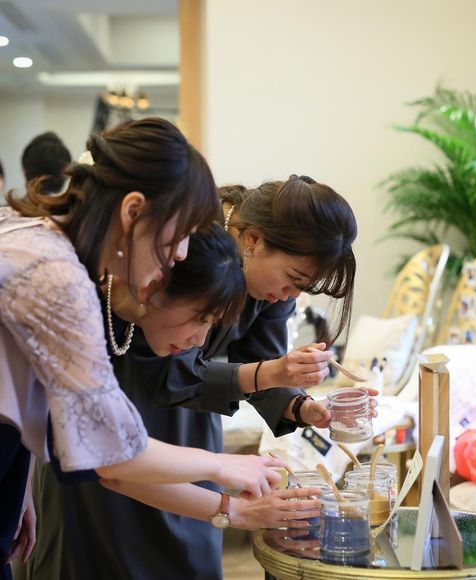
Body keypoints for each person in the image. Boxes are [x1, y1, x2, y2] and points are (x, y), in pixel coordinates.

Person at [15, 175, 362, 580]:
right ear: (253, 240)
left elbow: (264, 362)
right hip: (121, 409)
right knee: (108, 552)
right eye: (294, 278)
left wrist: (301, 406)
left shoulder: (270, 284)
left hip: (194, 425)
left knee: (192, 548)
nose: (292, 295)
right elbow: (169, 376)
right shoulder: (182, 250)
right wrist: (267, 377)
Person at [0, 118, 283, 580]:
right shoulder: (59, 277)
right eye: (179, 236)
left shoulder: (32, 236)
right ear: (133, 212)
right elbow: (111, 455)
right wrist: (224, 468)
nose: (181, 255)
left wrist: (18, 484)